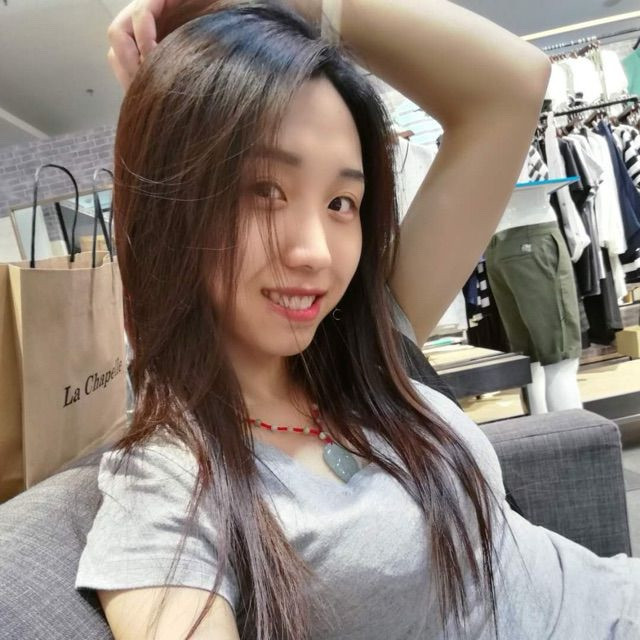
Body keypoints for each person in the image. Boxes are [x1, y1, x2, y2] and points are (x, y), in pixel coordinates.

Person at [73, 1, 640, 639]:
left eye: (342, 202)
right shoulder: (168, 480)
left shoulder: (367, 339)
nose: (317, 252)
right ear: (176, 201)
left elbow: (515, 84)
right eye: (265, 191)